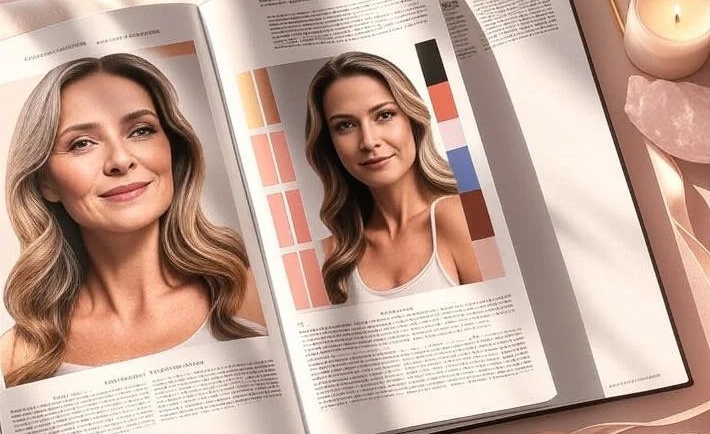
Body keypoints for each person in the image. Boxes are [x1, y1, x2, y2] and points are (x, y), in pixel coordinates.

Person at [1, 53, 266, 386]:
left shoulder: (256, 298)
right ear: (46, 182)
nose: (121, 160)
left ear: (174, 149)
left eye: (141, 131)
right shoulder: (17, 359)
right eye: (82, 143)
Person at [305, 51, 483, 305]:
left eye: (384, 115)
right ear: (329, 144)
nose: (368, 141)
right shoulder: (330, 258)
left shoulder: (463, 217)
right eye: (345, 125)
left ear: (412, 119)